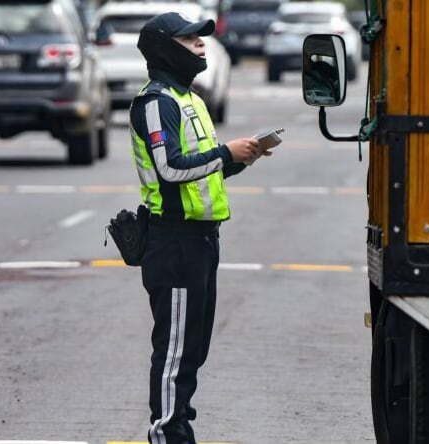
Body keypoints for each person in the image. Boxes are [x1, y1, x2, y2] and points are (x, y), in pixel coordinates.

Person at [129, 12, 268, 444]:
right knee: (174, 352)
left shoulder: (190, 100)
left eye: (200, 38)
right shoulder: (157, 103)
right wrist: (227, 153)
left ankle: (178, 426)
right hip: (174, 243)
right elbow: (169, 168)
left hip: (202, 240)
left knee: (192, 350)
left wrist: (241, 158)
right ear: (164, 48)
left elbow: (202, 173)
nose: (201, 45)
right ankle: (168, 433)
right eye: (189, 39)